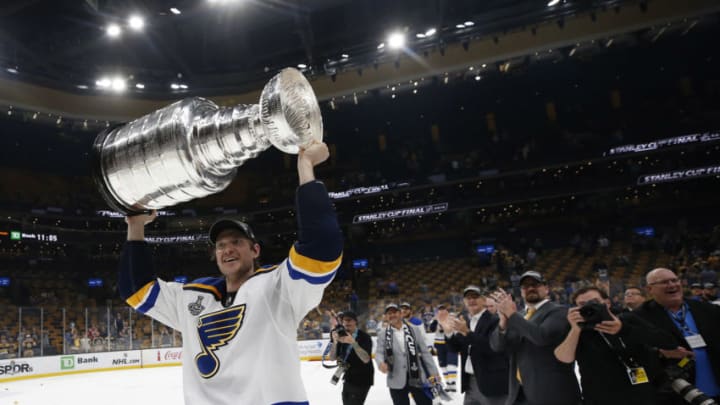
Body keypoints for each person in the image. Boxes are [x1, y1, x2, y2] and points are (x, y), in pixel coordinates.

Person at [118, 141, 343, 405]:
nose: (227, 249)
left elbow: (321, 249)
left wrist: (306, 168)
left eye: (236, 242)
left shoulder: (279, 287)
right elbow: (135, 290)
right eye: (221, 245)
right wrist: (135, 226)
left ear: (255, 250)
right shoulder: (192, 297)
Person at [554, 286, 677, 405]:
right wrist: (575, 329)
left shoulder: (627, 318)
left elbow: (668, 342)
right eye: (582, 304)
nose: (589, 306)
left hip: (640, 393)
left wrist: (623, 329)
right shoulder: (574, 328)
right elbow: (564, 358)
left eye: (594, 301)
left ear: (607, 303)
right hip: (599, 396)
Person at [489, 270, 581, 405]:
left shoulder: (559, 311)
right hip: (519, 393)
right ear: (521, 292)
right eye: (525, 286)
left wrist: (511, 314)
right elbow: (497, 346)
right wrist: (503, 322)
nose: (530, 288)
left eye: (535, 284)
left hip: (552, 394)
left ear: (546, 289)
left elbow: (541, 337)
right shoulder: (518, 316)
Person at [634, 268, 720, 404]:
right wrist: (660, 353)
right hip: (675, 395)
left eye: (674, 280)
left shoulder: (708, 309)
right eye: (664, 282)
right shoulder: (639, 318)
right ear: (650, 289)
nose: (672, 285)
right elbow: (634, 354)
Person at [440, 285, 509, 405]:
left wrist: (467, 332)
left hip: (491, 382)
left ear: (484, 300)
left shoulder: (494, 320)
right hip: (470, 383)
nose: (471, 300)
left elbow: (493, 348)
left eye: (475, 297)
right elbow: (455, 348)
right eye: (468, 298)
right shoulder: (465, 321)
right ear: (464, 302)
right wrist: (448, 332)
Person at [375, 303, 440, 405]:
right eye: (389, 313)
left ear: (400, 314)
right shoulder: (383, 334)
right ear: (386, 316)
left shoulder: (414, 329)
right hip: (395, 378)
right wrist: (380, 363)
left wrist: (434, 372)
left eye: (394, 312)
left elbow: (425, 353)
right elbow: (378, 352)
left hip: (418, 376)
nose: (392, 315)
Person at [329, 311, 374, 405]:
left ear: (355, 322)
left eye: (349, 320)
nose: (346, 322)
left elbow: (366, 359)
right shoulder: (341, 335)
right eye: (344, 320)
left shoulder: (364, 337)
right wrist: (334, 342)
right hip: (348, 377)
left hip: (363, 378)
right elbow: (332, 358)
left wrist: (353, 343)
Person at [428, 304, 459, 392]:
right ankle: (448, 384)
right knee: (443, 365)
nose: (441, 312)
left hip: (451, 343)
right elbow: (432, 329)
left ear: (447, 311)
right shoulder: (434, 320)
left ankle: (453, 383)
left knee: (451, 363)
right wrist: (435, 320)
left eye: (443, 310)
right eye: (440, 310)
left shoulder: (452, 318)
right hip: (439, 343)